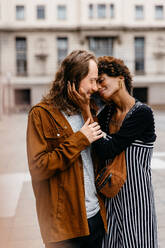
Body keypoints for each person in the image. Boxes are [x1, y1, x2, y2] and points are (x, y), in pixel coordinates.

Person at [69, 56, 158, 248]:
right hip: (110, 197)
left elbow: (108, 149)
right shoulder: (107, 114)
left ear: (119, 77)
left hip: (136, 199)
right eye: (95, 82)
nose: (98, 88)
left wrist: (85, 108)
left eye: (101, 80)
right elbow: (98, 149)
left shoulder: (142, 113)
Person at [26, 50, 107, 248]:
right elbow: (38, 167)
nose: (95, 87)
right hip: (63, 227)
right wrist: (80, 139)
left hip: (95, 217)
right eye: (92, 80)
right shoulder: (41, 114)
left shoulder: (89, 110)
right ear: (74, 79)